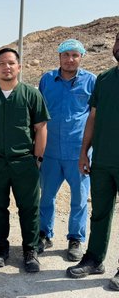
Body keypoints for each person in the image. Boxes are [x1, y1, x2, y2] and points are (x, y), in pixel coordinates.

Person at [0, 48, 50, 273]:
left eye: (11, 63)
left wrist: (38, 158)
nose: (7, 67)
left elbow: (41, 127)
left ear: (19, 67)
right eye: (2, 63)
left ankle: (30, 250)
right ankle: (0, 248)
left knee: (29, 208)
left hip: (24, 162)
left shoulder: (31, 94)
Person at [67, 33, 119, 291]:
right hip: (103, 160)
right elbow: (93, 117)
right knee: (99, 212)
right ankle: (94, 259)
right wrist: (83, 152)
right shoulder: (105, 79)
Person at [38, 39, 95, 262]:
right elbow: (38, 114)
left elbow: (95, 116)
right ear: (59, 56)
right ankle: (44, 234)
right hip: (50, 151)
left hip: (78, 152)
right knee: (46, 196)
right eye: (66, 55)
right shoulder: (47, 80)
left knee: (79, 199)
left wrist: (89, 151)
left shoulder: (91, 81)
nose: (70, 59)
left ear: (81, 57)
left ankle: (75, 239)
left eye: (74, 55)